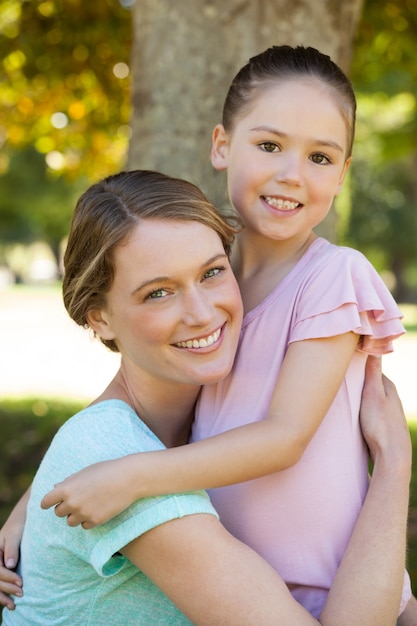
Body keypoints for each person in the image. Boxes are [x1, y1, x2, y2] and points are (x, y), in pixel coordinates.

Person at [27, 46, 415, 619]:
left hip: (332, 579)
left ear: (343, 174)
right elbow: (134, 407)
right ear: (221, 145)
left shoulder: (332, 275)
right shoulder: (214, 284)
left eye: (320, 157)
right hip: (243, 579)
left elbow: (284, 438)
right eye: (269, 146)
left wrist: (131, 477)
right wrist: (33, 509)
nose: (291, 173)